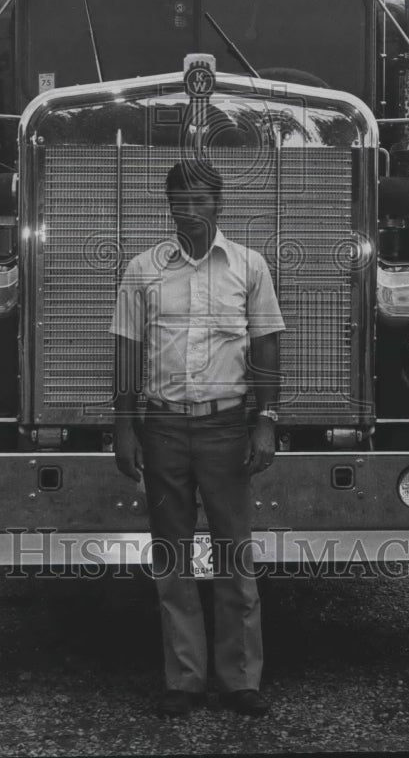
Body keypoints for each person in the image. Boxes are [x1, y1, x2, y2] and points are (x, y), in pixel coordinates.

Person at [110, 158, 285, 718]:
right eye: (179, 200)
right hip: (162, 429)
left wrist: (265, 420)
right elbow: (127, 350)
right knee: (172, 556)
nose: (190, 210)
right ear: (169, 207)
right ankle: (184, 679)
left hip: (226, 427)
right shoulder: (142, 270)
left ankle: (240, 680)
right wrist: (124, 425)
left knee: (235, 554)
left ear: (219, 205)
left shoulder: (249, 267)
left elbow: (266, 348)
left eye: (201, 200)